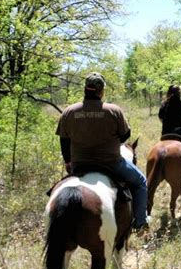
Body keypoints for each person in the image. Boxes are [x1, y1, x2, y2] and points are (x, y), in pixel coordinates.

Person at [56, 72, 149, 232]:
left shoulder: (69, 111)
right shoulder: (113, 110)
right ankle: (140, 222)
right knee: (141, 182)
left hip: (79, 164)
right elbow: (125, 135)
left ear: (85, 89)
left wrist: (68, 161)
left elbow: (64, 141)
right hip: (112, 163)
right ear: (102, 91)